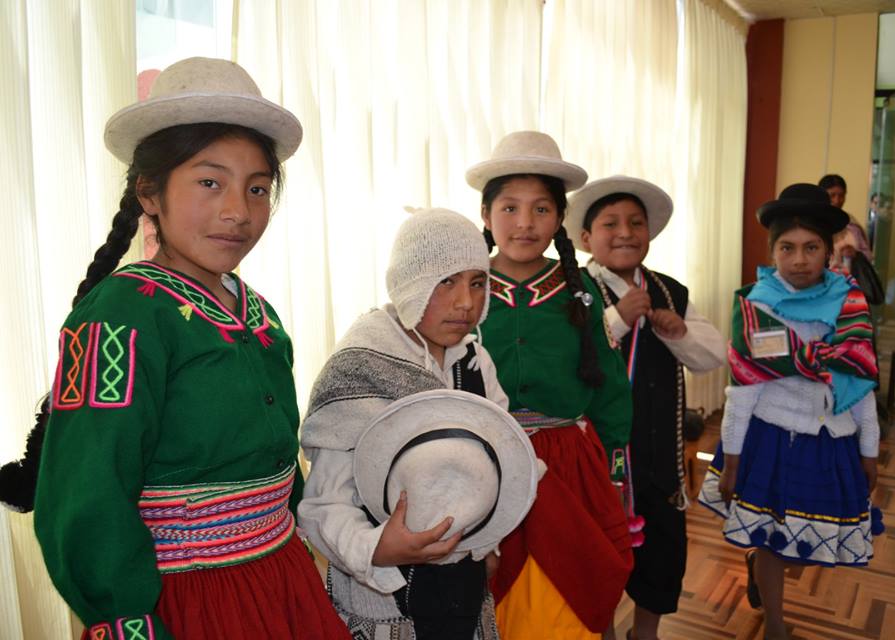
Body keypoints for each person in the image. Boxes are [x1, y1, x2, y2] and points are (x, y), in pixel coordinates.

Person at [16, 57, 351, 639]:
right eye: (209, 182)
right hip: (190, 603)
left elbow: (278, 469)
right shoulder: (119, 318)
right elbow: (87, 497)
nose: (238, 211)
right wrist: (128, 620)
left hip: (281, 582)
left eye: (257, 189)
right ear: (149, 192)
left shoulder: (257, 314)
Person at [298, 208, 529, 639]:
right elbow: (324, 504)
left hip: (462, 586)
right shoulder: (359, 367)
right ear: (410, 285)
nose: (466, 302)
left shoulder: (475, 361)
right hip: (383, 598)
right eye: (447, 282)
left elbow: (500, 463)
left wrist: (487, 544)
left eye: (478, 282)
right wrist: (376, 550)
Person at [466, 131, 634, 639]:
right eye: (510, 208)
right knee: (496, 594)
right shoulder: (466, 289)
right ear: (486, 214)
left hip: (568, 463)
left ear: (559, 218)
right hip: (486, 462)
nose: (525, 223)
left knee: (576, 584)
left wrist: (614, 467)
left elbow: (608, 382)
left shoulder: (579, 290)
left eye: (541, 209)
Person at [698, 183, 883, 640]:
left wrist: (870, 449)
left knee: (805, 536)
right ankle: (776, 624)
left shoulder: (850, 302)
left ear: (828, 251)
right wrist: (732, 462)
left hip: (831, 441)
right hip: (773, 439)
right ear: (772, 251)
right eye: (787, 248)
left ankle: (760, 569)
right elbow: (743, 389)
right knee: (770, 541)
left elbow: (860, 382)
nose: (799, 259)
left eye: (811, 248)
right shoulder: (757, 306)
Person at [567, 176, 726, 640]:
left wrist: (680, 332)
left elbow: (712, 356)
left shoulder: (669, 291)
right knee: (596, 553)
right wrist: (617, 320)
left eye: (636, 223)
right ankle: (604, 632)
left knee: (661, 553)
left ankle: (646, 632)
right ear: (585, 238)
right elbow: (565, 360)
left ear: (650, 234)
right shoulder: (571, 291)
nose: (625, 232)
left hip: (657, 457)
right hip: (599, 457)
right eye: (610, 223)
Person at [818, 174, 873, 265]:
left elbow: (868, 255)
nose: (837, 200)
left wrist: (855, 253)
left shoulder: (851, 223)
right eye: (832, 195)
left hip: (848, 273)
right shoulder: (812, 223)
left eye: (841, 195)